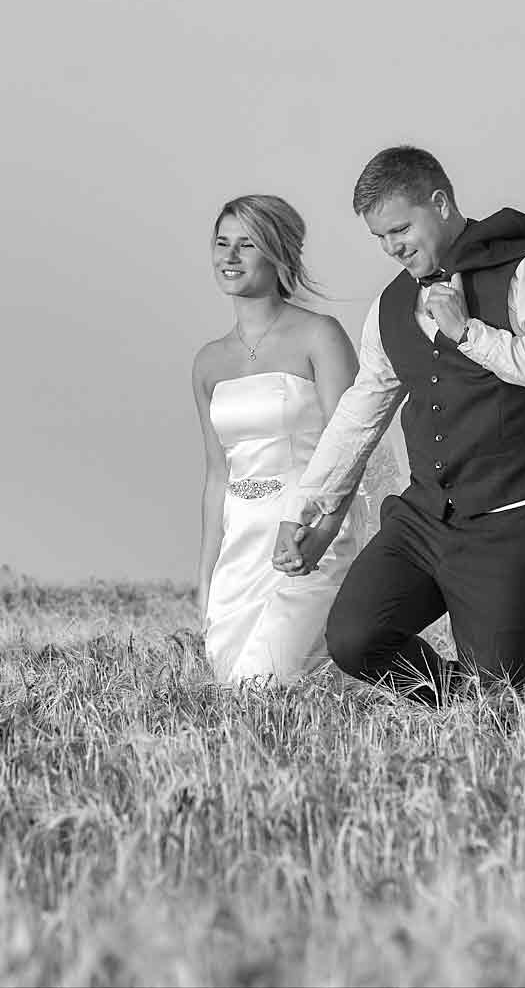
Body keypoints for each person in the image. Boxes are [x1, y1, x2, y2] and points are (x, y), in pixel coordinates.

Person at [272, 147, 525, 703]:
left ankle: (486, 712)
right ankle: (462, 708)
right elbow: (361, 409)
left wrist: (468, 334)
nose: (392, 247)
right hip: (424, 518)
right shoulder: (390, 306)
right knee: (353, 639)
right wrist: (305, 507)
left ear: (440, 203)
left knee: (500, 696)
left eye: (400, 228)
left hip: (509, 523)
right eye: (379, 237)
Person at [191, 195, 396, 683]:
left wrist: (322, 534)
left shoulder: (319, 336)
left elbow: (354, 445)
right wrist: (205, 574)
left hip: (305, 533)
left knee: (266, 683)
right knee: (231, 695)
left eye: (247, 244)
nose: (230, 257)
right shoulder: (208, 361)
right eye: (222, 243)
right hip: (239, 548)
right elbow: (218, 473)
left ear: (278, 253)